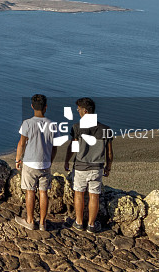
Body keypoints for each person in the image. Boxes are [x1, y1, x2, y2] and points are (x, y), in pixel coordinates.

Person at [63, 97, 113, 233]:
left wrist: (67, 161)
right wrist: (108, 167)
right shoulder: (105, 129)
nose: (78, 111)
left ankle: (79, 222)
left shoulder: (76, 128)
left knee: (78, 194)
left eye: (78, 109)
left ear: (85, 111)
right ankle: (91, 225)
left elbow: (72, 148)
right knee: (94, 196)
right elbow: (109, 152)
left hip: (80, 167)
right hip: (97, 168)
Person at [15, 94, 58, 231]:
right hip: (45, 164)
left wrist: (18, 159)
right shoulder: (52, 125)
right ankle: (43, 223)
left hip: (30, 163)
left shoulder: (27, 123)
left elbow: (22, 144)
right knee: (43, 192)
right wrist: (50, 161)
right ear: (46, 107)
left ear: (32, 106)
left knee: (30, 191)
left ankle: (30, 220)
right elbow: (54, 147)